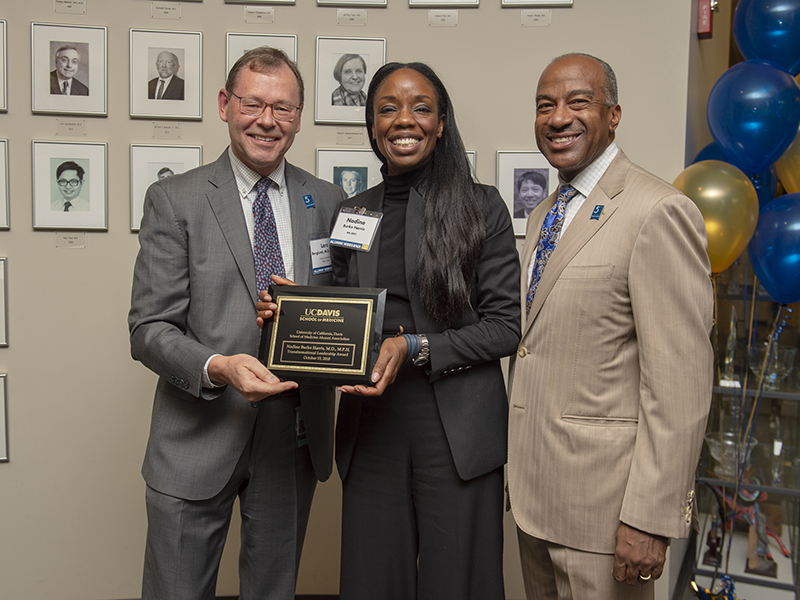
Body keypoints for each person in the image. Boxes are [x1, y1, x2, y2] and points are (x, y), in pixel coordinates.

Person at [272, 61, 520, 600]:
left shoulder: (481, 207)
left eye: (420, 108)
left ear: (441, 121)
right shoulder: (353, 212)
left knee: (458, 583)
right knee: (372, 581)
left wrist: (417, 346)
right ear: (372, 124)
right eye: (388, 108)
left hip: (456, 430)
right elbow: (342, 312)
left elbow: (505, 328)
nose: (404, 120)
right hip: (373, 424)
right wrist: (295, 311)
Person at [128, 46, 345, 600]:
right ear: (225, 105)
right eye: (253, 104)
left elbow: (344, 312)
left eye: (284, 108)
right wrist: (218, 366)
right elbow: (149, 328)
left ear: (299, 115)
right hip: (197, 434)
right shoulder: (174, 199)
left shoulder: (327, 200)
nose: (267, 121)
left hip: (292, 436)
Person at [508, 53, 713, 600]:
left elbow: (680, 385)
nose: (558, 118)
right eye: (544, 106)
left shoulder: (657, 211)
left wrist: (650, 517)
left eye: (579, 102)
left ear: (614, 114)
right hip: (535, 501)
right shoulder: (543, 212)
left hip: (607, 514)